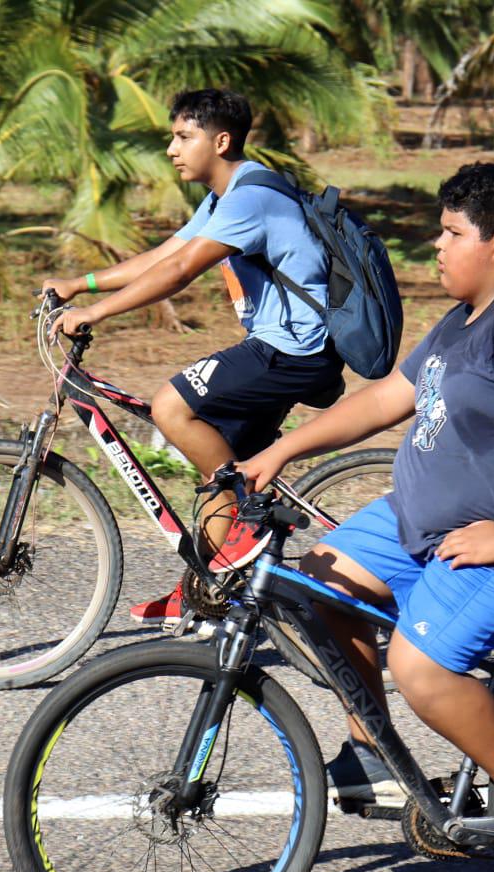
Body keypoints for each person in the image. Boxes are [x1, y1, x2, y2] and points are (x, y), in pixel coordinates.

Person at [241, 162, 494, 872]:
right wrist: (282, 448)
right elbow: (388, 398)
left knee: (420, 668)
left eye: (449, 234)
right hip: (422, 522)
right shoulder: (465, 316)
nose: (434, 248)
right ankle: (375, 753)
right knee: (320, 585)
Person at [42, 88, 343, 629]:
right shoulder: (224, 197)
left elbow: (181, 273)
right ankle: (207, 588)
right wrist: (78, 284)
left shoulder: (251, 196)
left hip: (292, 349)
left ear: (220, 141)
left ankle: (247, 521)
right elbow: (166, 255)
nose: (171, 148)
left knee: (172, 407)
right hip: (282, 348)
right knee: (218, 467)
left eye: (184, 136)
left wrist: (98, 312)